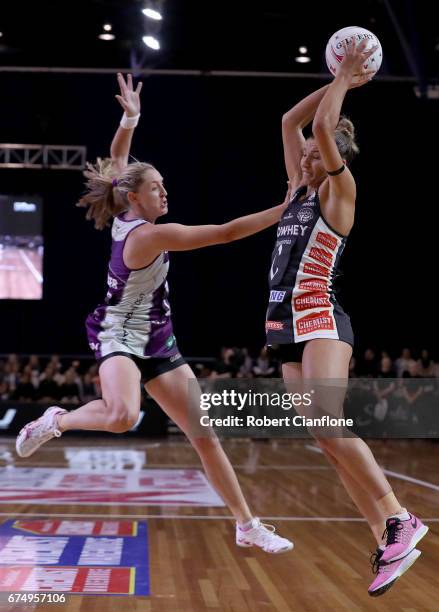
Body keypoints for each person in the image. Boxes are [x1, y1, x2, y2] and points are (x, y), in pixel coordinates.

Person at [16, 73, 292, 554]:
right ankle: (55, 421)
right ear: (136, 197)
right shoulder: (147, 235)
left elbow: (118, 162)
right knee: (124, 415)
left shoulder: (131, 213)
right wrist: (283, 210)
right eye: (157, 188)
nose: (165, 193)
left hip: (158, 336)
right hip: (117, 330)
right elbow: (226, 233)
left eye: (165, 186)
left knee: (204, 434)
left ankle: (247, 524)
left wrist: (130, 120)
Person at [267, 39, 428, 595]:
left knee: (330, 424)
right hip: (282, 326)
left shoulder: (339, 189)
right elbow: (292, 121)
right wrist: (342, 80)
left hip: (320, 317)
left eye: (319, 151)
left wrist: (343, 83)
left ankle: (401, 519)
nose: (308, 156)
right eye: (310, 154)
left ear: (334, 156)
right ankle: (387, 535)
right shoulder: (296, 188)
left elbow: (315, 130)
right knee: (323, 437)